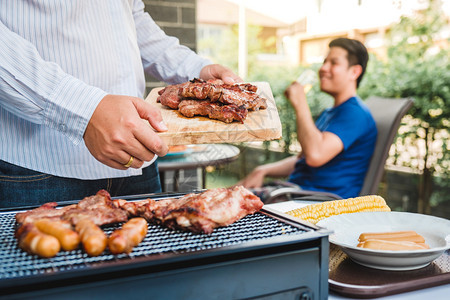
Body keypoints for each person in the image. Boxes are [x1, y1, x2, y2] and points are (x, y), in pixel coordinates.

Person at [0, 1, 241, 207]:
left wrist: (194, 70)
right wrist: (83, 109)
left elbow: (131, 18)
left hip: (138, 164)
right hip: (38, 169)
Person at [238, 38, 377, 200]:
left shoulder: (355, 114)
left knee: (228, 203)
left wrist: (300, 102)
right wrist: (262, 170)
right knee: (227, 195)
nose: (324, 68)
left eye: (334, 63)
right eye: (324, 62)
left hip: (318, 201)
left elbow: (315, 156)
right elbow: (302, 159)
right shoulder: (331, 112)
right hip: (297, 193)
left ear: (354, 72)